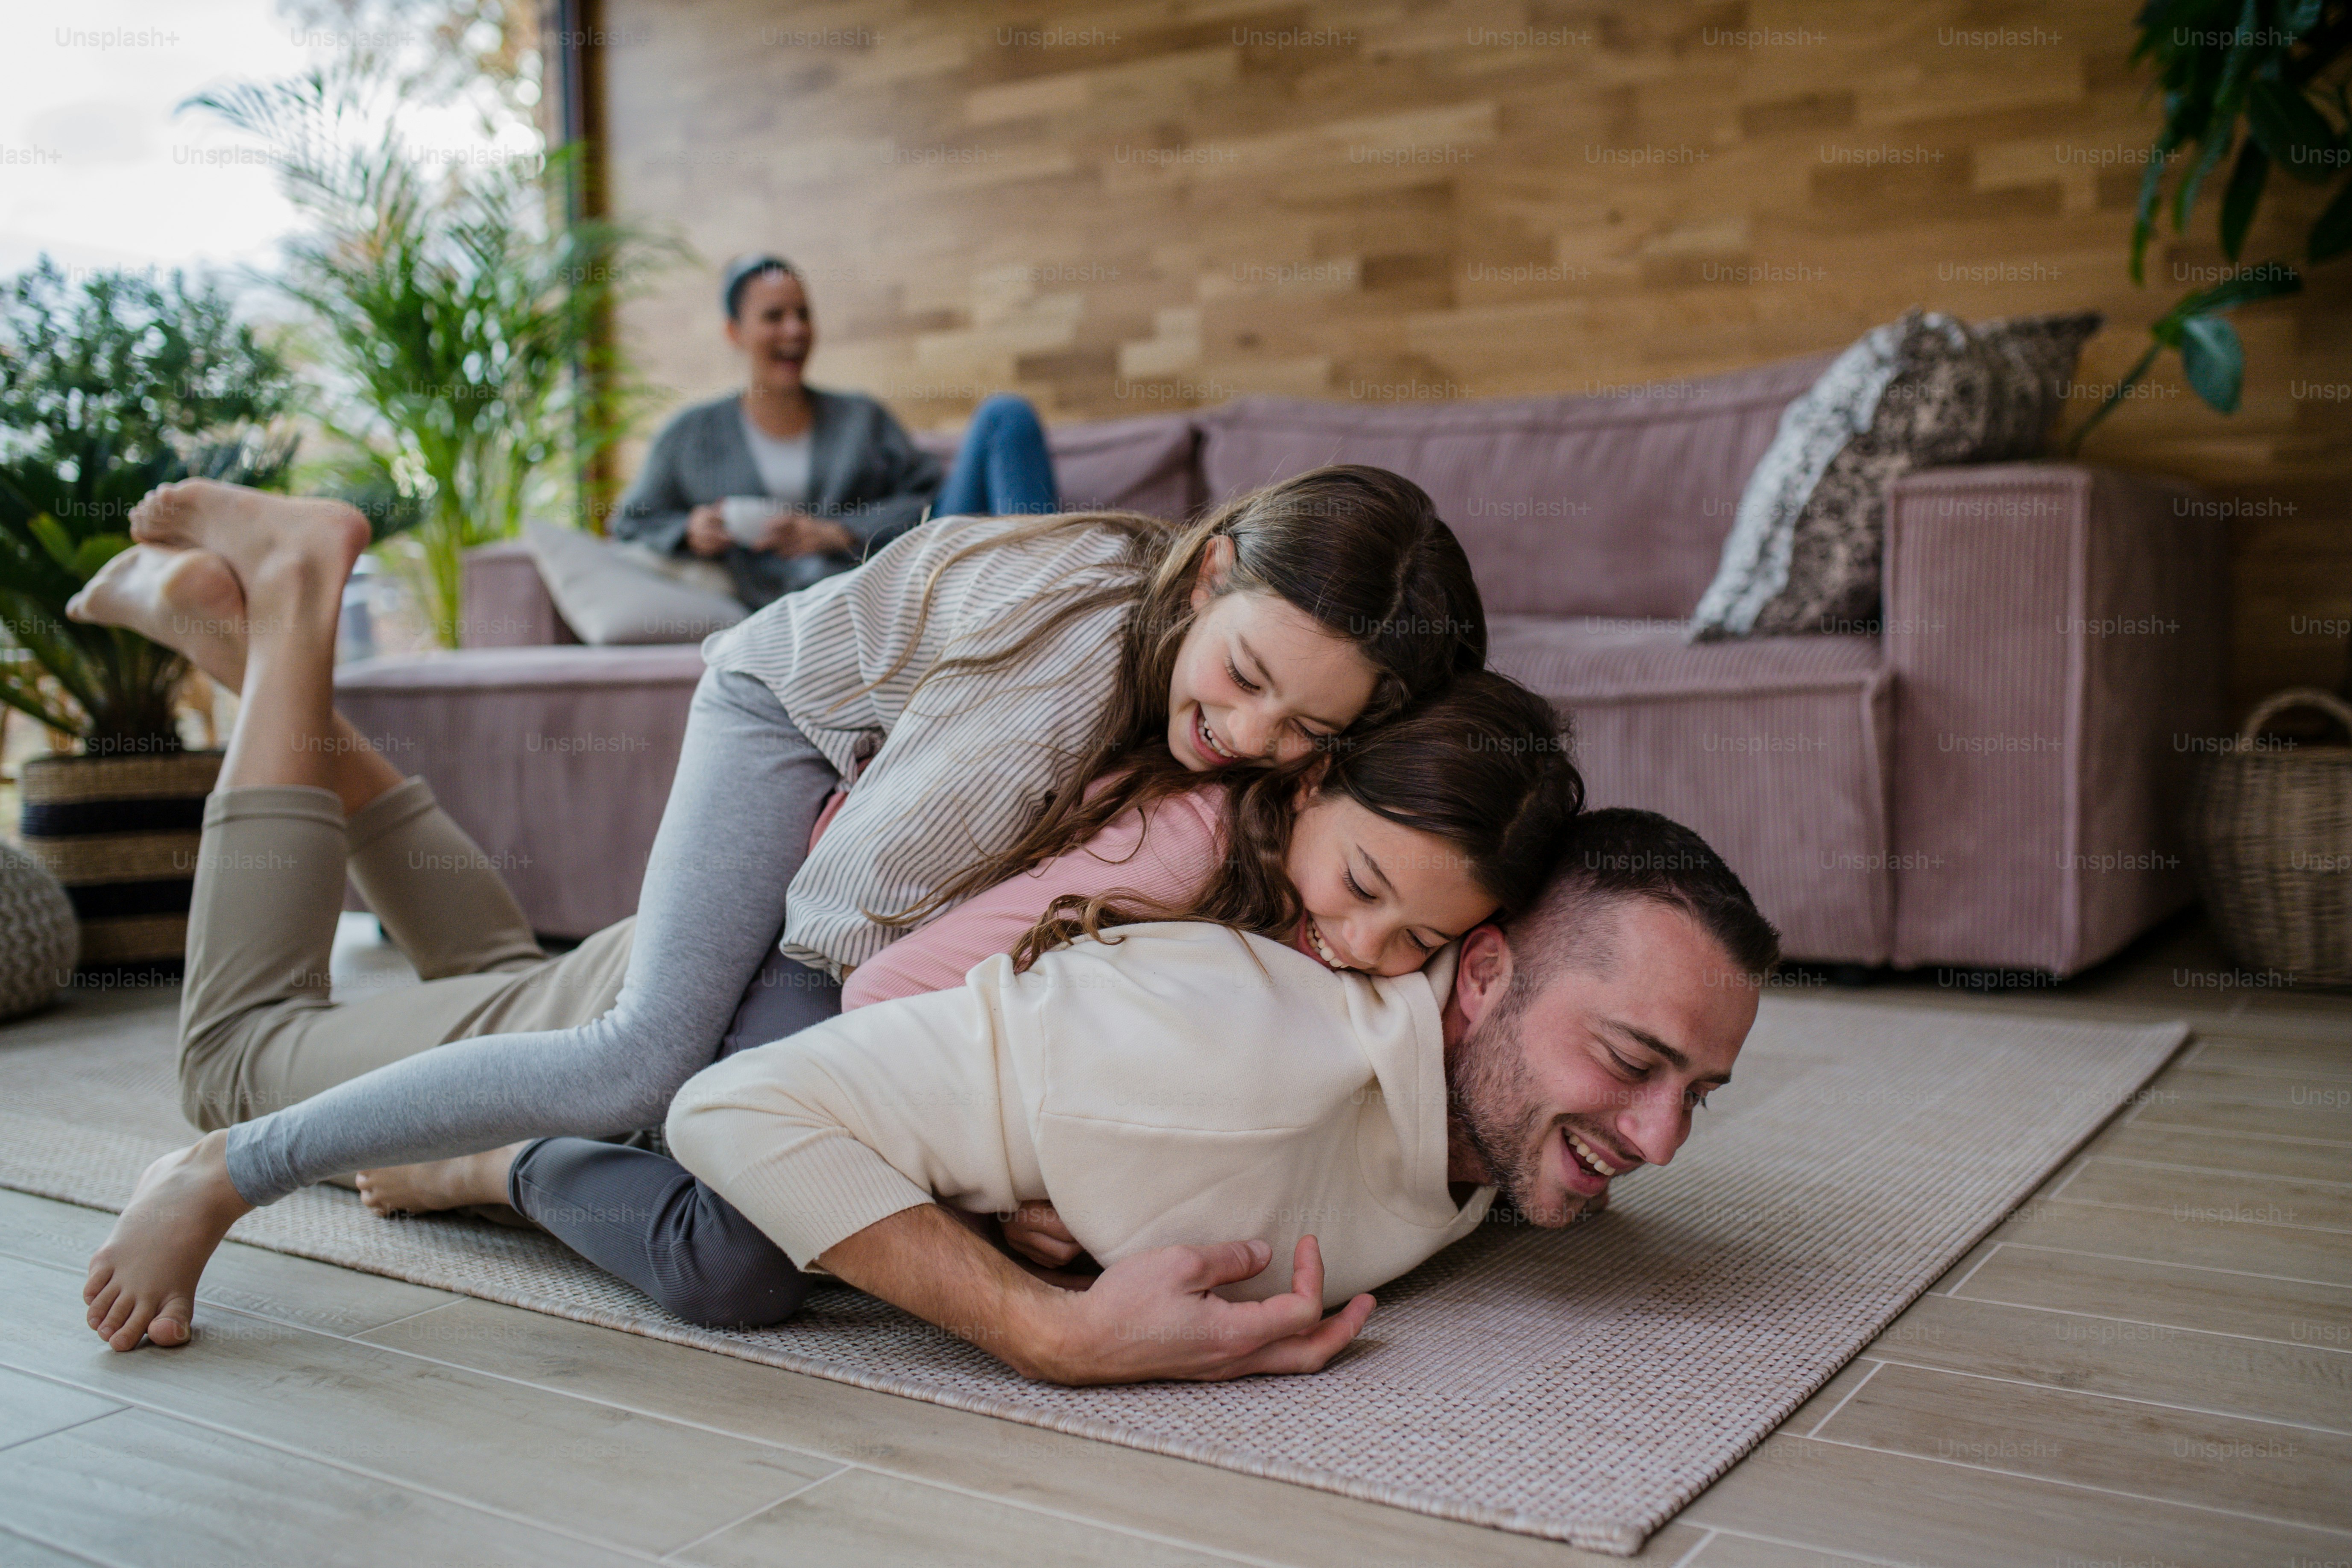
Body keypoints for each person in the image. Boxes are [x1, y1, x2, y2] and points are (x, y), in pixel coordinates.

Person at [72, 462, 1488, 1348]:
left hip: (861, 815)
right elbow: (856, 913)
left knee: (554, 997)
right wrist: (877, 1123)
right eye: (1242, 678)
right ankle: (222, 1171)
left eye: (1305, 733)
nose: (1245, 735)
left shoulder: (1231, 764)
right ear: (1218, 568)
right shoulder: (1082, 643)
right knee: (638, 1051)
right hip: (785, 716)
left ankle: (261, 666)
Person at [664, 805, 1780, 1384]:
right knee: (729, 1251)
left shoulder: (1481, 1091)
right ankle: (496, 1161)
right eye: (1632, 1061)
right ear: (1479, 975)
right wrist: (1044, 1329)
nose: (1663, 1139)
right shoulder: (1230, 1051)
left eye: (1700, 1092)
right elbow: (731, 1107)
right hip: (752, 969)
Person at [612, 253, 1061, 608]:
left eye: (803, 314)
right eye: (774, 316)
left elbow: (926, 498)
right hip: (826, 607)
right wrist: (688, 531)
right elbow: (629, 522)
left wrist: (841, 532)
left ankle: (1050, 604)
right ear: (734, 332)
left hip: (909, 574)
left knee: (1006, 415)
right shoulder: (690, 436)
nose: (796, 329)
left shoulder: (860, 417)